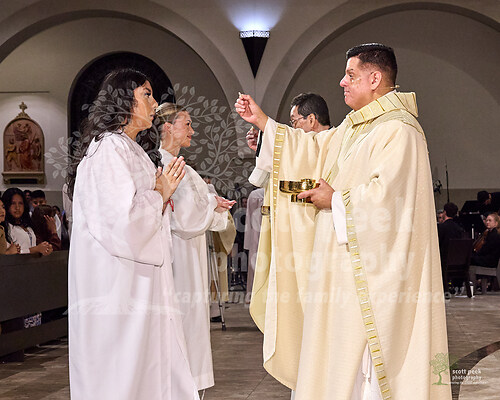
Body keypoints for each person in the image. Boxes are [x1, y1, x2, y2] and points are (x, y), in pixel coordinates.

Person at [236, 43, 450, 399]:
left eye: (351, 74)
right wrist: (264, 124)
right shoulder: (355, 127)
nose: (342, 82)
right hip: (341, 273)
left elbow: (390, 201)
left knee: (365, 369)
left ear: (374, 78)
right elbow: (313, 149)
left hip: (371, 279)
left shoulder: (399, 131)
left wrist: (335, 200)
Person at [68, 69, 198, 400]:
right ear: (123, 99)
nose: (154, 104)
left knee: (148, 369)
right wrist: (161, 192)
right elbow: (122, 223)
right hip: (118, 285)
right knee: (122, 374)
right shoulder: (108, 149)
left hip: (139, 281)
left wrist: (160, 192)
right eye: (146, 94)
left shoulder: (131, 149)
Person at [151, 102, 235, 392]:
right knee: (184, 319)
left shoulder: (182, 166)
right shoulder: (162, 165)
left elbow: (194, 207)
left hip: (190, 252)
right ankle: (180, 387)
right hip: (177, 254)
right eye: (186, 124)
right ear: (167, 127)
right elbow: (184, 218)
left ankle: (187, 386)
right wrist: (212, 204)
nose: (192, 130)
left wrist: (213, 204)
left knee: (193, 319)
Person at [2, 188, 52, 255]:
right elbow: (8, 253)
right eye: (13, 203)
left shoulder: (28, 224)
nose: (17, 207)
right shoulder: (5, 227)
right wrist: (36, 249)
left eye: (20, 203)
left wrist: (46, 248)